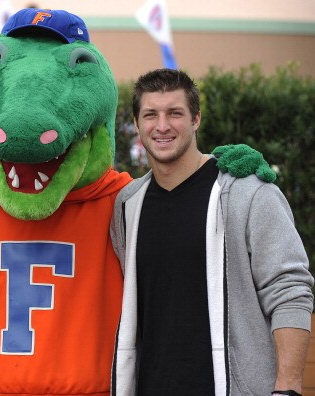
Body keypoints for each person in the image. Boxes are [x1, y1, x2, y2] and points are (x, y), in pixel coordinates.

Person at [109, 68, 314, 395]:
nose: (162, 126)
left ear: (196, 119)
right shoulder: (127, 205)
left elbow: (289, 290)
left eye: (175, 113)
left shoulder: (249, 193)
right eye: (150, 115)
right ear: (136, 125)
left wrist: (287, 387)